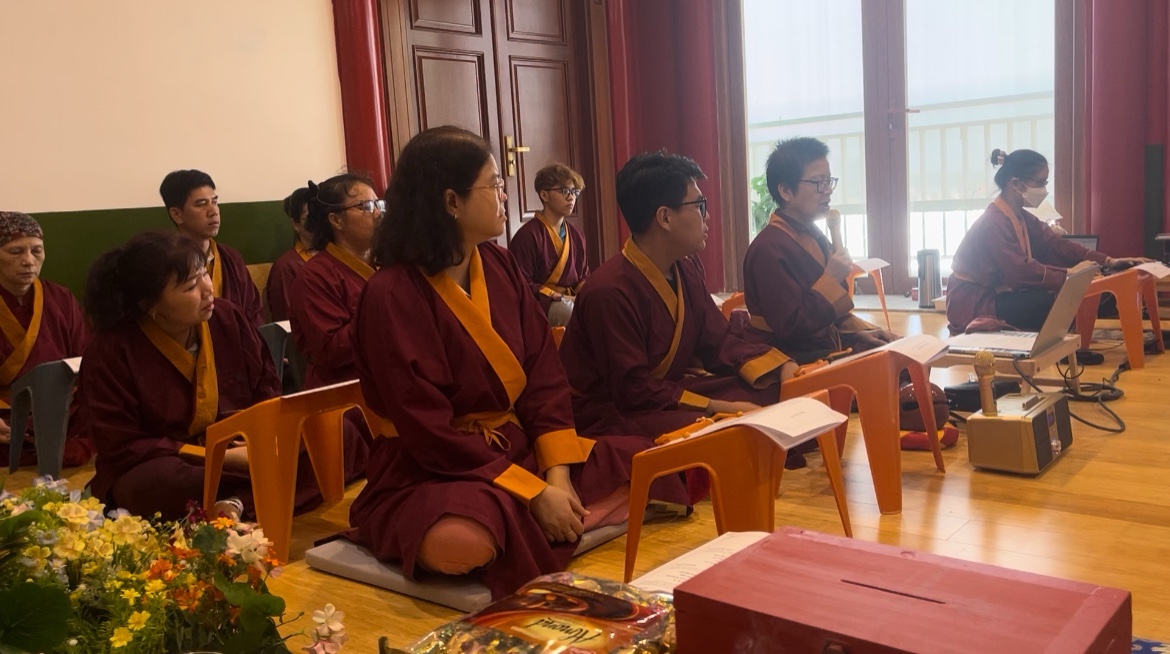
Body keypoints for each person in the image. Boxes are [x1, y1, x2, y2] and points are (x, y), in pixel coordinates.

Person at [348, 126, 686, 600]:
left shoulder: (499, 265)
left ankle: (555, 516)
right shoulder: (391, 294)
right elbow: (425, 428)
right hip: (437, 466)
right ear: (451, 201)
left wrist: (556, 474)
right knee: (467, 538)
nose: (505, 195)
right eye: (494, 185)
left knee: (643, 461)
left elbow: (545, 376)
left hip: (515, 444)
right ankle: (555, 518)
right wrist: (532, 492)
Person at [76, 231, 367, 521]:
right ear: (149, 305)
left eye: (204, 274)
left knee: (340, 434)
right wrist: (220, 457)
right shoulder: (111, 350)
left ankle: (234, 503)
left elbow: (265, 386)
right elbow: (121, 444)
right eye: (191, 286)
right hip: (176, 460)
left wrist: (261, 436)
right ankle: (258, 494)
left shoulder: (227, 317)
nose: (208, 290)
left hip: (242, 441)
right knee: (154, 485)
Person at [559, 151, 797, 447]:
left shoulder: (685, 268)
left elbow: (717, 341)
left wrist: (778, 366)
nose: (707, 216)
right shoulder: (608, 291)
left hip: (661, 395)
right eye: (699, 205)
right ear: (665, 217)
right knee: (723, 428)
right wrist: (716, 407)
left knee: (771, 393)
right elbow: (632, 390)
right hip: (612, 410)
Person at [947, 149, 1149, 334]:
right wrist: (1070, 274)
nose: (1044, 189)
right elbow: (1019, 272)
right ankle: (1064, 346)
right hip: (975, 302)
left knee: (1100, 293)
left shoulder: (1020, 216)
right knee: (1047, 301)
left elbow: (1055, 244)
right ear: (1015, 184)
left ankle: (1074, 342)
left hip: (997, 294)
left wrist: (1107, 261)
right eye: (1040, 183)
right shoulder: (994, 223)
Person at [742, 137, 897, 363]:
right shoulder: (768, 249)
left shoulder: (814, 234)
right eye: (818, 183)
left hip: (819, 344)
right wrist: (831, 277)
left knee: (899, 352)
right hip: (788, 358)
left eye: (829, 181)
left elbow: (830, 311)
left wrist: (857, 334)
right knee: (892, 366)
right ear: (785, 190)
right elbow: (792, 327)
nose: (828, 191)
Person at [0, 212, 92, 469]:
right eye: (15, 251)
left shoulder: (60, 298)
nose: (29, 261)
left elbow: (86, 362)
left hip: (60, 412)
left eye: (36, 251)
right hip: (6, 417)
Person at [288, 173, 382, 389]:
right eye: (366, 206)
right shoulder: (315, 276)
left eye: (379, 204)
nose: (378, 213)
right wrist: (387, 318)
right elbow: (331, 350)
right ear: (336, 220)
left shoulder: (387, 263)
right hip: (345, 391)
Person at [160, 169, 264, 326]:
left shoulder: (230, 258)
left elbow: (253, 313)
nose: (213, 211)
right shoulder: (166, 263)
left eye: (214, 202)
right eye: (201, 204)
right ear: (177, 215)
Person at [509, 163, 590, 325]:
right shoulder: (527, 236)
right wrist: (559, 297)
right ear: (544, 195)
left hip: (571, 299)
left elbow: (583, 276)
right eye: (564, 191)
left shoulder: (576, 235)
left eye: (574, 192)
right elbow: (521, 284)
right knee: (567, 311)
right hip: (541, 304)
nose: (571, 197)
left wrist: (586, 295)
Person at [266, 187, 316, 322]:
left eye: (321, 215)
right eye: (311, 218)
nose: (319, 223)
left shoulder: (335, 257)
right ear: (296, 224)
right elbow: (287, 321)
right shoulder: (286, 267)